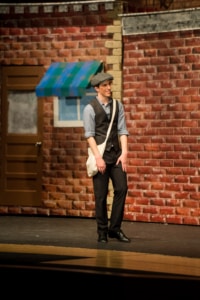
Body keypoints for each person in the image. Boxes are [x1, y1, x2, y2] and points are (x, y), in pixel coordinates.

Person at [83, 72, 130, 243]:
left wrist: (124, 153)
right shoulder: (90, 109)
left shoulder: (118, 105)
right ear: (97, 88)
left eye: (110, 84)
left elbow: (122, 130)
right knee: (101, 196)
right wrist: (98, 158)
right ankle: (102, 232)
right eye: (105, 85)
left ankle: (114, 229)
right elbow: (89, 135)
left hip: (116, 155)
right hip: (100, 155)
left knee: (122, 189)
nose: (109, 87)